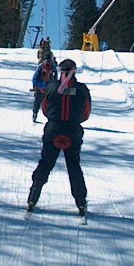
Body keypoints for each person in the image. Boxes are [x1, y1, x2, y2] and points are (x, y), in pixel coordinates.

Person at [27, 58, 91, 215]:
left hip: (53, 129)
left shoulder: (51, 87)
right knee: (74, 166)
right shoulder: (82, 89)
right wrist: (74, 120)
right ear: (74, 71)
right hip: (73, 130)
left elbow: (45, 109)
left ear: (60, 70)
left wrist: (55, 118)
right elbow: (86, 113)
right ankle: (81, 203)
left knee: (46, 163)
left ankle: (33, 197)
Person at [31, 53, 57, 122]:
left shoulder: (41, 66)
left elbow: (34, 78)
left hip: (40, 87)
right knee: (50, 103)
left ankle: (35, 113)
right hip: (49, 89)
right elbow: (56, 80)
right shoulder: (53, 67)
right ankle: (51, 117)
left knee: (37, 101)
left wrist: (35, 86)